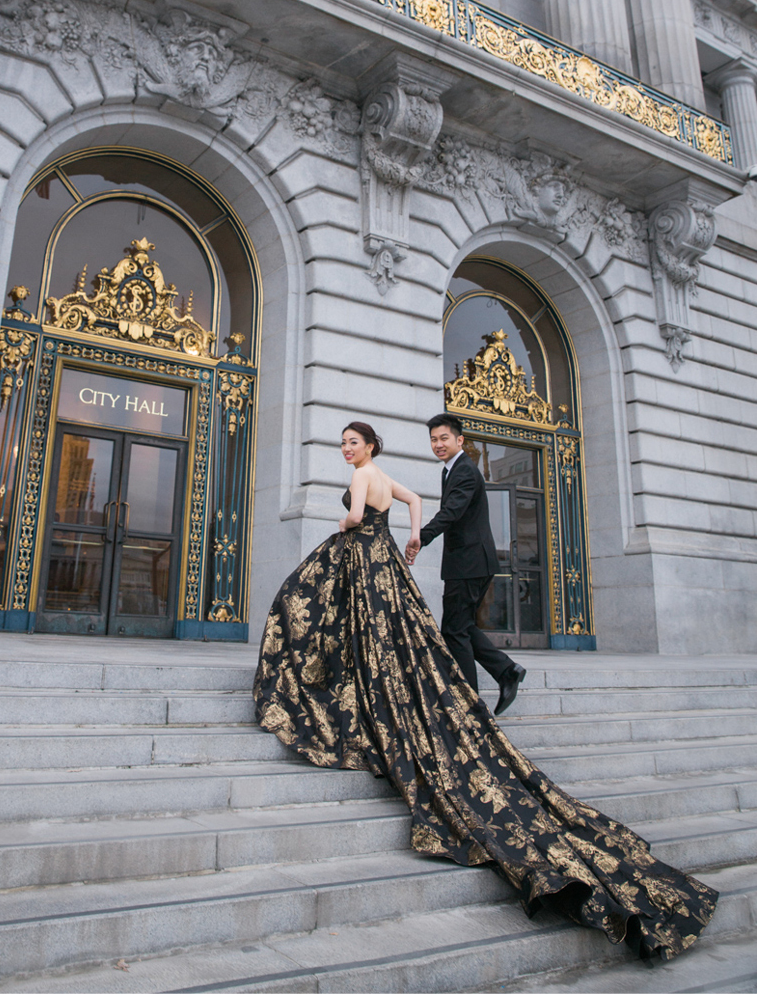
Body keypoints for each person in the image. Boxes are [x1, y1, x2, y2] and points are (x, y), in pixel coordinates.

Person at [254, 419, 716, 962]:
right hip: (387, 568)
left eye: (351, 442)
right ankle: (482, 684)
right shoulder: (392, 475)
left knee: (370, 625)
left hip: (383, 560)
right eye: (343, 443)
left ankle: (466, 692)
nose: (345, 449)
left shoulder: (379, 476)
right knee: (414, 635)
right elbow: (416, 499)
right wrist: (409, 533)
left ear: (370, 446)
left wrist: (357, 523)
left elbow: (359, 516)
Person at [405, 412, 525, 715]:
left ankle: (471, 705)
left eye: (444, 438)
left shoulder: (465, 471)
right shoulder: (451, 470)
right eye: (433, 439)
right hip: (468, 562)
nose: (438, 444)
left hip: (470, 562)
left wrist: (421, 536)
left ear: (460, 440)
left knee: (455, 631)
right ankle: (506, 670)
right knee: (460, 626)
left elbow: (453, 512)